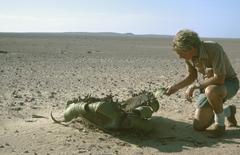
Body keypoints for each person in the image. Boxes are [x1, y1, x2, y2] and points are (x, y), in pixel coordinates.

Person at [165, 29, 239, 138]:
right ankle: (228, 111)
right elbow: (192, 76)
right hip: (208, 87)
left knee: (211, 91)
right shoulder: (189, 56)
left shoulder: (213, 48)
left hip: (228, 84)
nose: (180, 57)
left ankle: (220, 125)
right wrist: (175, 87)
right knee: (198, 126)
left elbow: (220, 78)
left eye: (181, 53)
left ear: (190, 48)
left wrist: (196, 86)